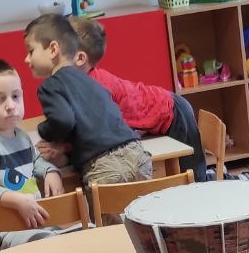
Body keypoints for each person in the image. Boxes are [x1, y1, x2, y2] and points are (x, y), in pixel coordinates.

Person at [69, 16, 208, 181]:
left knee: (194, 179)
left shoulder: (95, 87)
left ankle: (211, 182)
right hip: (161, 110)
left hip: (173, 111)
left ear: (80, 59)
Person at [24, 14, 152, 191]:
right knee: (141, 207)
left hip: (105, 165)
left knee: (105, 210)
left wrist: (44, 131)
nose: (27, 59)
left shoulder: (50, 85)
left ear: (53, 49)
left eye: (31, 51)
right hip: (136, 152)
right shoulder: (89, 79)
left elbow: (63, 120)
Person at [0, 58, 61, 247]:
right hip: (6, 231)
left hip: (35, 223)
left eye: (15, 96)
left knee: (85, 232)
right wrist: (15, 200)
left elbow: (36, 161)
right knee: (49, 244)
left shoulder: (21, 136)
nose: (10, 105)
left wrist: (50, 171)